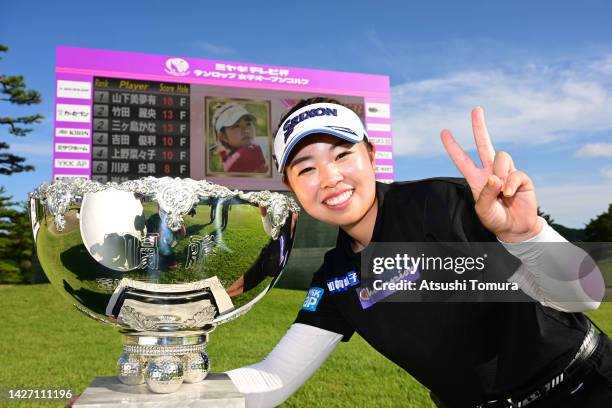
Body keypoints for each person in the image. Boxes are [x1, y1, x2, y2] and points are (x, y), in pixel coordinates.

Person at [226, 98, 612, 407]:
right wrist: (173, 394)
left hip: (587, 389)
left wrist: (527, 233)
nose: (329, 178)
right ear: (290, 185)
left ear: (371, 156)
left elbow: (584, 296)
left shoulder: (443, 203)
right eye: (306, 168)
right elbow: (273, 378)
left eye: (342, 154)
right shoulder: (334, 279)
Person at [211, 102, 268, 174]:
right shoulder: (242, 157)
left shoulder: (264, 142)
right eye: (236, 126)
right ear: (223, 136)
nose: (245, 130)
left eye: (248, 124)